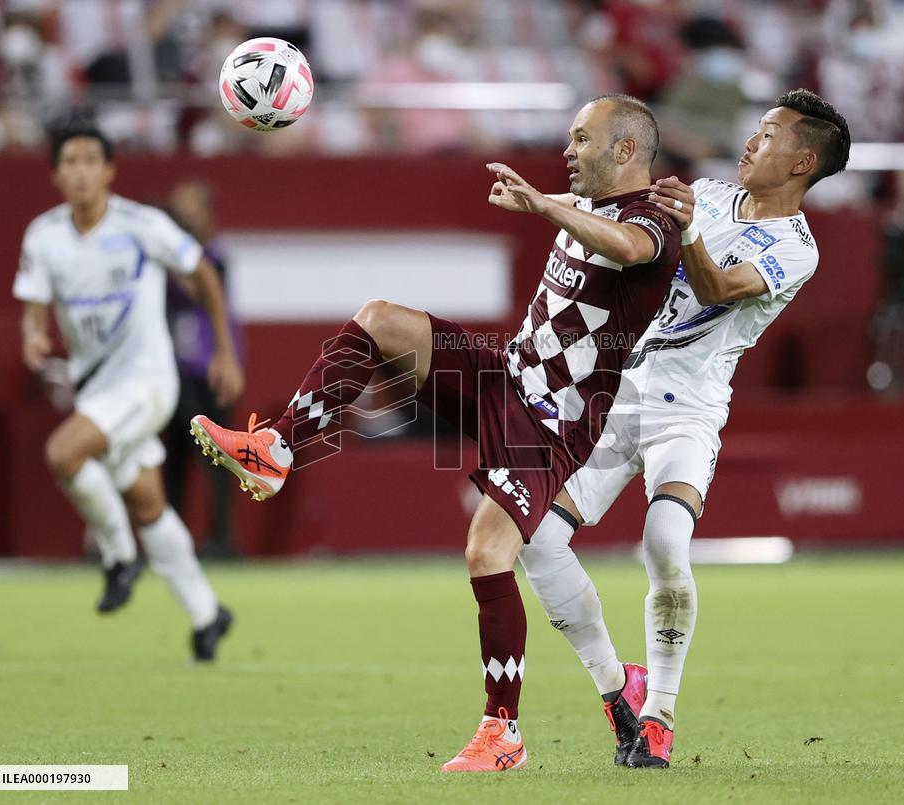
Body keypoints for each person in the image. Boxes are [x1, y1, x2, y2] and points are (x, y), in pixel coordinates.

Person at [190, 94, 680, 771]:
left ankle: (503, 730)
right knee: (380, 318)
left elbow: (629, 247)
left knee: (488, 551)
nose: (567, 150)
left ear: (626, 150)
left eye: (581, 138)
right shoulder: (585, 207)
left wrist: (542, 205)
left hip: (550, 423)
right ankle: (276, 448)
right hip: (504, 375)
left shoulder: (651, 219)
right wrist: (553, 206)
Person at [517, 88, 851, 769]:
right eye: (756, 129)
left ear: (804, 160)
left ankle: (660, 711)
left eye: (770, 133)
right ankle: (618, 684)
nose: (753, 141)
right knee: (536, 539)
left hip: (687, 407)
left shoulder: (798, 247)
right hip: (615, 392)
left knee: (666, 540)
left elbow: (720, 288)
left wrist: (688, 229)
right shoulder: (707, 193)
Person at [12, 125, 244, 661]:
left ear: (109, 171)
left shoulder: (141, 225)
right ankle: (208, 613)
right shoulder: (43, 235)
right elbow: (33, 303)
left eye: (91, 160)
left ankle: (118, 557)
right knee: (148, 505)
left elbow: (202, 271)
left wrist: (224, 351)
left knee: (63, 453)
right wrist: (31, 333)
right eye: (69, 161)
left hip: (147, 380)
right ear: (55, 173)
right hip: (95, 387)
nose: (80, 171)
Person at [163, 180, 242, 555]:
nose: (184, 214)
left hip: (208, 368)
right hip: (175, 368)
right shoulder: (171, 255)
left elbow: (198, 291)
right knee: (173, 457)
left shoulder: (214, 255)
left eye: (191, 206)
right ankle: (171, 539)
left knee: (217, 456)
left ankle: (223, 538)